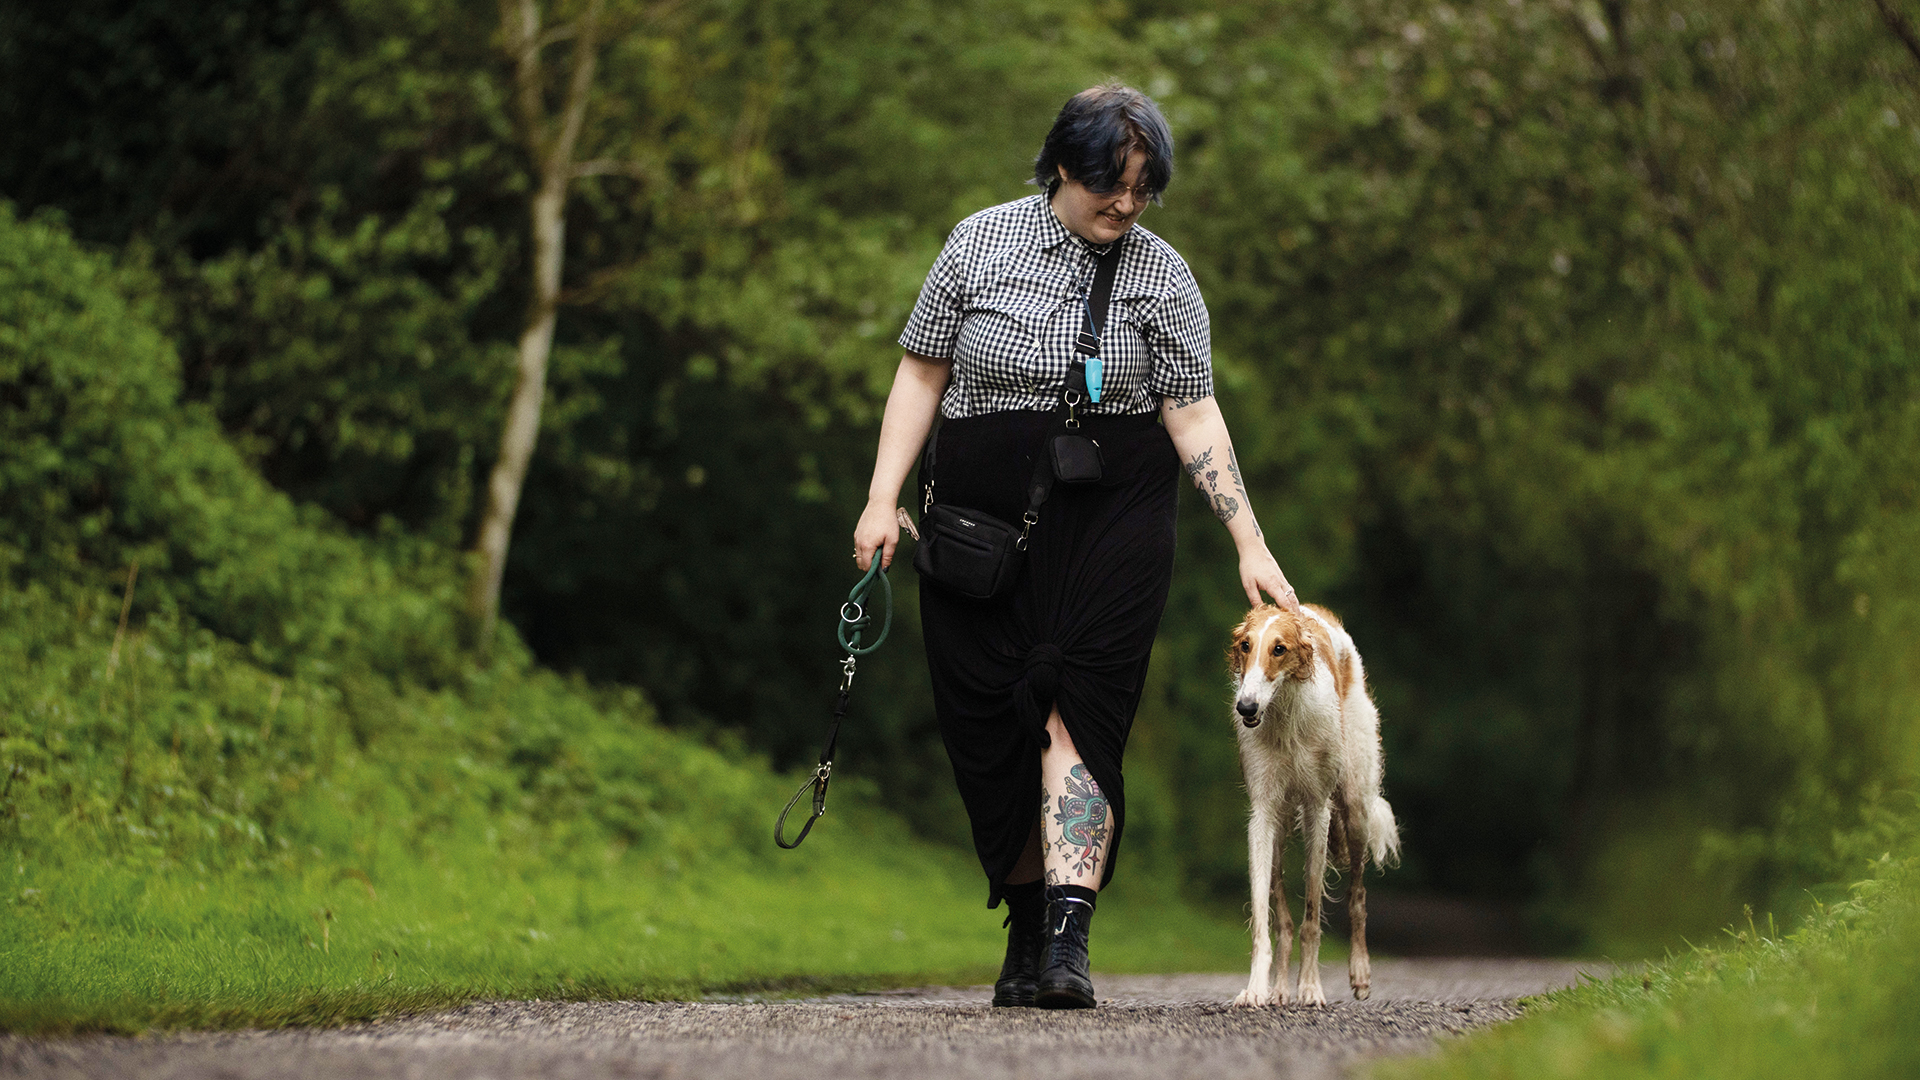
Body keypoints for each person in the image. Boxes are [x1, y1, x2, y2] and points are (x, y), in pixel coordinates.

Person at [852, 83, 1299, 1010]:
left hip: (1114, 524)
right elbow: (921, 370)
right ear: (1064, 164)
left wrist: (1246, 541)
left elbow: (1194, 411)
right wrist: (880, 498)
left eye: (1144, 189)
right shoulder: (977, 245)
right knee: (990, 731)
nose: (1127, 206)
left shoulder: (1163, 277)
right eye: (1113, 185)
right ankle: (1025, 925)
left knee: (1078, 713)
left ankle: (1066, 942)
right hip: (980, 526)